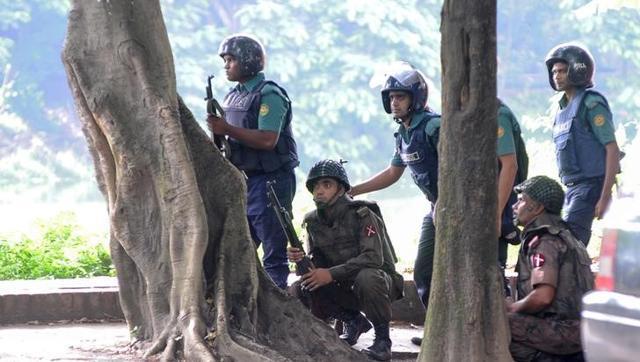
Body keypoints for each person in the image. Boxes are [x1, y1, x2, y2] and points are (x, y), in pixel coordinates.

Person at [349, 61, 440, 346]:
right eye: (390, 98)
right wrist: (353, 190)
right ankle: (436, 330)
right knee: (424, 270)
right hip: (435, 206)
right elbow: (392, 173)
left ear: (416, 98)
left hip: (451, 208)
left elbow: (457, 168)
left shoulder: (433, 126)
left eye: (400, 97)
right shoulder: (404, 132)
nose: (394, 102)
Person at [288, 159, 404, 362]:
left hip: (378, 282)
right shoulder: (313, 222)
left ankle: (383, 340)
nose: (319, 191)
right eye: (315, 186)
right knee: (303, 285)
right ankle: (353, 321)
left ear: (341, 189)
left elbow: (373, 258)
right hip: (343, 285)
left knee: (368, 277)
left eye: (327, 184)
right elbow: (318, 264)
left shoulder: (362, 214)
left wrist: (330, 274)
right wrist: (301, 260)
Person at [207, 34, 299, 289]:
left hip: (271, 181)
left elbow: (268, 139)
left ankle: (278, 313)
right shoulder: (232, 96)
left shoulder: (269, 94)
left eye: (231, 59)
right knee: (239, 249)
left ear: (247, 61)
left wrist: (226, 128)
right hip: (244, 182)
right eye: (224, 60)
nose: (226, 65)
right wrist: (218, 132)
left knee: (273, 253)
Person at [508, 175, 594, 361]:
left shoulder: (544, 240)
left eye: (521, 200)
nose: (515, 207)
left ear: (538, 208)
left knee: (497, 322)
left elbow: (542, 297)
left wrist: (512, 308)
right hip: (582, 332)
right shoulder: (568, 235)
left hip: (564, 333)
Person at [544, 43, 621, 246]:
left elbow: (611, 149)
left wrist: (604, 197)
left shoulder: (590, 103)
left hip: (590, 187)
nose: (557, 76)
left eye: (562, 71)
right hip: (571, 187)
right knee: (563, 243)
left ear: (578, 69)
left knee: (569, 245)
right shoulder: (561, 108)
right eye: (554, 72)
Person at [497, 99, 529, 293]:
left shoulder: (498, 115)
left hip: (502, 196)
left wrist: (497, 214)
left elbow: (510, 166)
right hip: (487, 197)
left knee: (494, 264)